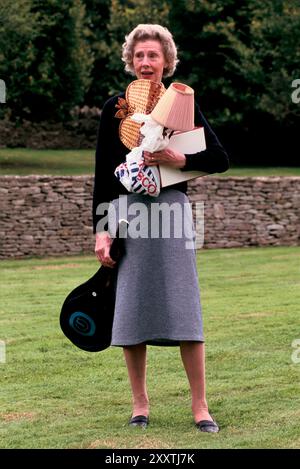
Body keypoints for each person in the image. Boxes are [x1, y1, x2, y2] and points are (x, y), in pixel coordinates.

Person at [92, 24, 229, 433]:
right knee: (131, 308)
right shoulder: (113, 107)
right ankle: (140, 406)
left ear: (167, 61)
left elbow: (220, 157)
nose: (146, 62)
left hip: (172, 213)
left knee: (185, 307)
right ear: (130, 62)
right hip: (127, 214)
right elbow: (103, 174)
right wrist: (101, 229)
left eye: (153, 56)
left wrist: (177, 159)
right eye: (139, 56)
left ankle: (200, 407)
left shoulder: (183, 104)